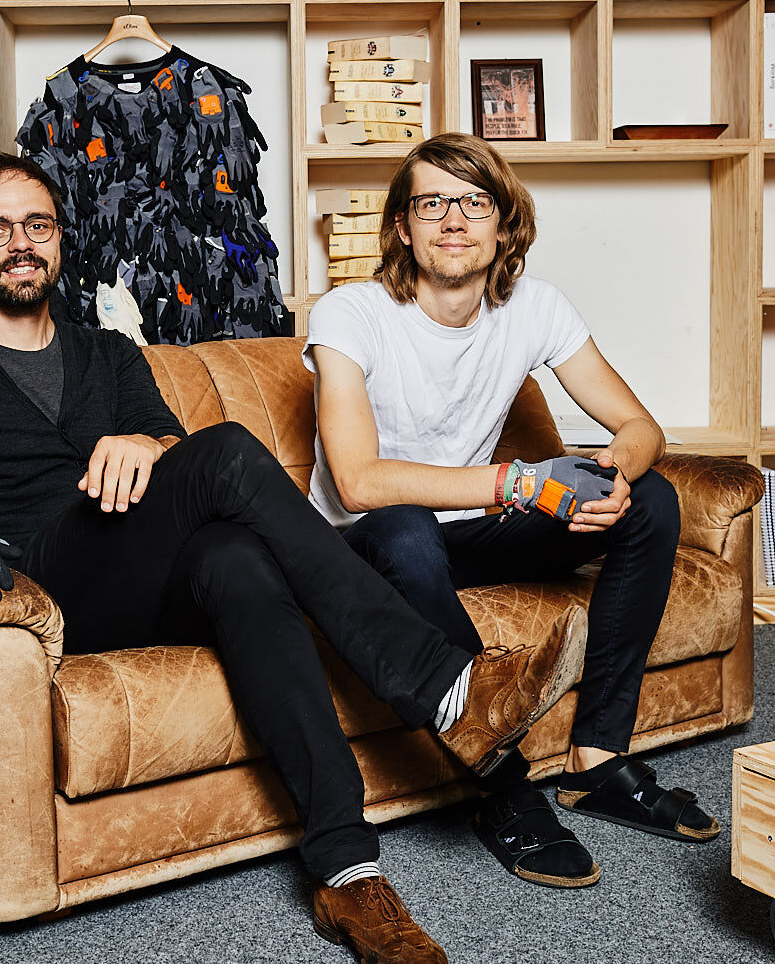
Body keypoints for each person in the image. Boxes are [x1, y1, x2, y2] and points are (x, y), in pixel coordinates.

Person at [0, 150, 585, 964]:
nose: (20, 244)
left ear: (60, 240)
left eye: (37, 225)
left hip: (146, 577)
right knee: (225, 453)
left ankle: (348, 874)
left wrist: (149, 445)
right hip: (45, 588)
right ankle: (444, 687)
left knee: (238, 558)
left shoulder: (107, 355)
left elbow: (177, 459)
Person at [304, 133, 719, 892]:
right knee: (403, 529)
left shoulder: (535, 306)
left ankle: (598, 759)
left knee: (651, 499)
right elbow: (360, 483)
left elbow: (641, 429)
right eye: (431, 202)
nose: (453, 219)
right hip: (367, 548)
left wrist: (615, 478)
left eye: (474, 202)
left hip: (471, 531)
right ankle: (503, 787)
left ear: (504, 225)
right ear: (402, 226)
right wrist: (523, 483)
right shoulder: (350, 313)